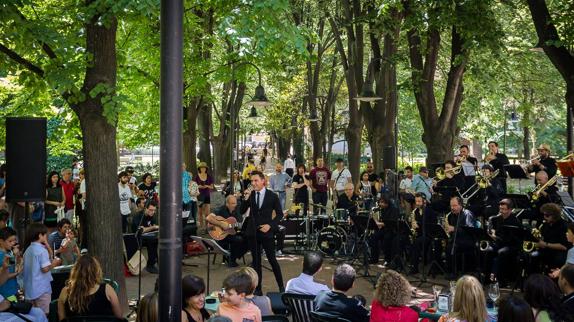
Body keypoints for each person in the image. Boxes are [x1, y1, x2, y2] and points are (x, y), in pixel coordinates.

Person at [240, 171, 284, 294]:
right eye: (252, 181)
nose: (253, 183)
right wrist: (246, 198)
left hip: (267, 232)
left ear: (263, 180)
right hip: (252, 232)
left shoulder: (272, 196)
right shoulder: (251, 195)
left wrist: (270, 225)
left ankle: (281, 287)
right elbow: (241, 210)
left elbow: (280, 214)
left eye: (256, 180)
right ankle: (258, 289)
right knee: (256, 262)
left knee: (272, 260)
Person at [57, 255, 122, 320]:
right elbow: (119, 316)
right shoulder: (107, 289)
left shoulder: (65, 291)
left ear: (75, 271)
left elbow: (62, 319)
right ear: (96, 270)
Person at [23, 223, 62, 314]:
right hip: (41, 289)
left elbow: (48, 257)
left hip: (29, 290)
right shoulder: (41, 251)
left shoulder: (28, 250)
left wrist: (47, 244)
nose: (46, 236)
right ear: (40, 235)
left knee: (33, 315)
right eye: (45, 234)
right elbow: (45, 269)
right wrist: (54, 263)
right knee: (44, 315)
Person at [485, 199, 523, 286]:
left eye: (503, 209)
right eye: (500, 209)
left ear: (510, 210)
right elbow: (493, 229)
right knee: (488, 250)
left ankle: (501, 280)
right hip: (499, 242)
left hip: (511, 245)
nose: (501, 211)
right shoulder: (497, 218)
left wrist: (495, 237)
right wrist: (491, 232)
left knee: (501, 252)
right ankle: (487, 278)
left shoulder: (515, 222)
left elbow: (511, 239)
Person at [206, 196, 247, 268]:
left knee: (248, 238)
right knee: (238, 240)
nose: (235, 205)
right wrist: (221, 224)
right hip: (222, 235)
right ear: (227, 204)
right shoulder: (221, 209)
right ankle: (231, 259)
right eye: (233, 203)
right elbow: (208, 218)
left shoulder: (237, 210)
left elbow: (239, 224)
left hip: (233, 232)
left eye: (235, 203)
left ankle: (231, 256)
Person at [445, 196, 479, 277]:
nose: (452, 208)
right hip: (458, 239)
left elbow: (469, 229)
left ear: (460, 205)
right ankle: (450, 271)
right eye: (451, 206)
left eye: (454, 205)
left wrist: (454, 229)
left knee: (452, 247)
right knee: (449, 246)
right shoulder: (452, 215)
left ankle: (454, 272)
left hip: (468, 240)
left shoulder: (467, 214)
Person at [533, 203, 569, 274]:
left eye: (547, 215)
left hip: (558, 253)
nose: (544, 217)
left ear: (554, 215)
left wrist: (545, 244)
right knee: (530, 256)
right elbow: (543, 238)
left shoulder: (563, 226)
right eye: (544, 215)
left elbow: (564, 247)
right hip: (547, 249)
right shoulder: (546, 224)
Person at [409, 193, 438, 275]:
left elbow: (432, 227)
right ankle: (412, 262)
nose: (417, 203)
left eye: (419, 201)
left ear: (424, 201)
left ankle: (415, 267)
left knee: (417, 242)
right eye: (416, 201)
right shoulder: (416, 211)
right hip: (420, 234)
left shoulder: (430, 211)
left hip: (429, 235)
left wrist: (419, 225)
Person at [369, 195, 400, 265]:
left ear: (387, 202)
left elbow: (392, 222)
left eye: (382, 202)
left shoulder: (394, 209)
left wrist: (380, 223)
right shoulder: (382, 209)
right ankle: (374, 258)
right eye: (380, 202)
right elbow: (381, 220)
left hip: (392, 230)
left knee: (387, 238)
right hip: (384, 229)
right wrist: (374, 218)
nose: (381, 204)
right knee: (374, 237)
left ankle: (387, 259)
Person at [132, 200, 159, 274]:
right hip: (136, 238)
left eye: (154, 210)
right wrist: (152, 228)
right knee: (152, 241)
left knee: (155, 240)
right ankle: (150, 265)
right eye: (150, 210)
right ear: (145, 209)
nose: (152, 212)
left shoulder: (152, 217)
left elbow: (151, 228)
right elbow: (141, 231)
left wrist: (150, 228)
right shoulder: (138, 216)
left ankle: (152, 263)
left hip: (147, 236)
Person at [0, 227, 21, 299]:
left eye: (14, 240)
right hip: (5, 292)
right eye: (10, 241)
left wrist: (17, 255)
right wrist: (16, 273)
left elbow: (16, 264)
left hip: (13, 289)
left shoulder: (9, 252)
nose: (13, 243)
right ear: (1, 241)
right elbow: (4, 276)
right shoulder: (1, 255)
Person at [195, 162, 214, 231]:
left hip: (207, 195)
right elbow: (194, 186)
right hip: (199, 195)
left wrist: (207, 186)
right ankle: (202, 227)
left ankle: (206, 226)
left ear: (206, 169)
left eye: (204, 168)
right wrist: (198, 186)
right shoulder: (197, 176)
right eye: (201, 168)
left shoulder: (209, 176)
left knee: (207, 213)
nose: (203, 169)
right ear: (199, 169)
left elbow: (212, 187)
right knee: (200, 212)